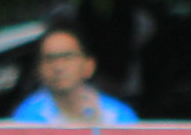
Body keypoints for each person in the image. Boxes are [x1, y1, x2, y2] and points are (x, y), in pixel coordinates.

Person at [11, 17, 139, 126]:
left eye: (67, 57)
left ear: (89, 65)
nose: (58, 67)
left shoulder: (118, 115)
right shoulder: (26, 118)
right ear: (39, 69)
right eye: (50, 59)